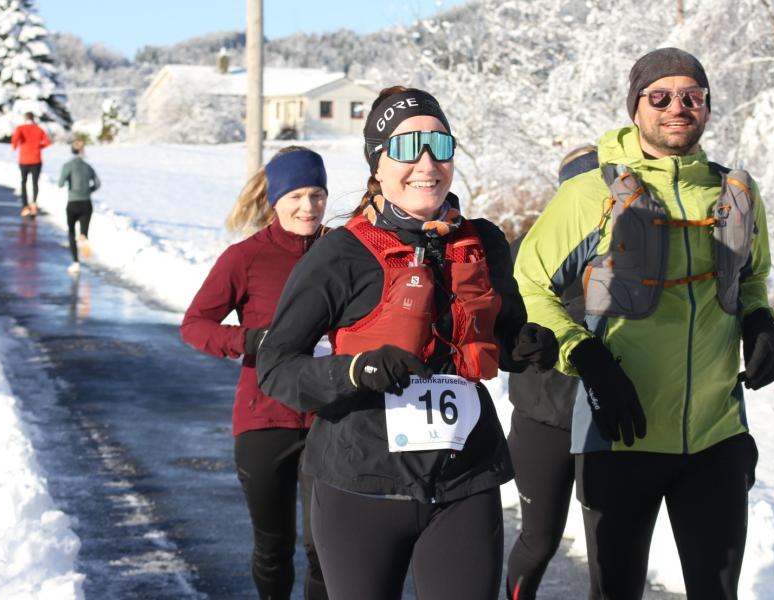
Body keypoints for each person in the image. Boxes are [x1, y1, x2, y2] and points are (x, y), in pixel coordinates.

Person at [256, 86, 558, 600]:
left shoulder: (483, 242)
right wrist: (353, 372)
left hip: (466, 477)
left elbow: (496, 332)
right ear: (377, 164)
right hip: (361, 483)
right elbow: (276, 366)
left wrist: (521, 345)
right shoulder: (340, 255)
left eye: (440, 146)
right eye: (405, 147)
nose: (426, 162)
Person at [514, 48, 774, 599]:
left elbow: (753, 277)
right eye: (660, 96)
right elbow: (530, 284)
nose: (677, 107)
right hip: (621, 435)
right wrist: (582, 355)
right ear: (636, 108)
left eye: (692, 96)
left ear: (707, 107)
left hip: (716, 435)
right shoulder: (590, 192)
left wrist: (760, 321)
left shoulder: (736, 192)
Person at [180, 147, 330, 600]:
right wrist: (250, 341)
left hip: (333, 419)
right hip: (264, 419)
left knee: (326, 549)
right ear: (275, 199)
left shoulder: (342, 251)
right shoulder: (245, 258)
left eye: (318, 195)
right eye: (298, 195)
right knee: (273, 547)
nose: (309, 207)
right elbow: (195, 326)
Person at [504, 144, 597, 600]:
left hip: (608, 423)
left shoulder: (636, 253)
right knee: (538, 540)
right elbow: (499, 330)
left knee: (610, 552)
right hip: (543, 422)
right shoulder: (529, 250)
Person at [58, 139, 100, 274]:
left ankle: (75, 262)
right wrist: (88, 190)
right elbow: (97, 183)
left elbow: (60, 183)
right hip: (87, 203)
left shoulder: (68, 165)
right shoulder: (88, 166)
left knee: (71, 232)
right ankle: (84, 237)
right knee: (83, 231)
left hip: (73, 202)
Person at [10, 111, 50, 217]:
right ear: (33, 119)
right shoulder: (38, 129)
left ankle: (25, 206)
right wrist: (39, 147)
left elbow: (14, 141)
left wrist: (15, 146)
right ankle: (34, 203)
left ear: (25, 118)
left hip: (24, 159)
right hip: (36, 159)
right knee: (35, 183)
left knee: (23, 182)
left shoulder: (20, 128)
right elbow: (47, 142)